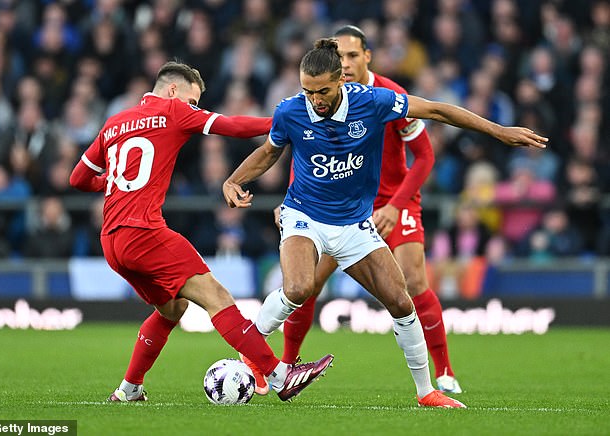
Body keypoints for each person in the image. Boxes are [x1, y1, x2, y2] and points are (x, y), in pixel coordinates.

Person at [223, 39, 547, 408]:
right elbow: (269, 151)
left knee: (401, 301)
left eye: (323, 91)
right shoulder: (290, 112)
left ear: (341, 80)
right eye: (308, 91)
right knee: (299, 288)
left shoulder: (373, 101)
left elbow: (437, 111)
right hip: (304, 216)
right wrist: (234, 179)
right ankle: (252, 356)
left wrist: (498, 131)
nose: (316, 100)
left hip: (354, 225)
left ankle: (428, 391)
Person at [69, 61, 333, 403]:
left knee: (172, 310)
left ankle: (129, 389)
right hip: (145, 232)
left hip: (112, 241)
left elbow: (77, 179)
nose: (195, 109)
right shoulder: (174, 112)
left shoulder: (115, 121)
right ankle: (279, 375)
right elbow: (234, 126)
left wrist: (114, 185)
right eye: (193, 101)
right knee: (218, 298)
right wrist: (288, 124)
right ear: (174, 90)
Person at [271, 24, 463, 395]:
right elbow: (306, 153)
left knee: (413, 280)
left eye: (352, 55)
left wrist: (396, 205)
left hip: (394, 198)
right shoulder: (319, 94)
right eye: (339, 56)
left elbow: (424, 157)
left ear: (367, 56)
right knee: (307, 283)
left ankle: (444, 373)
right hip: (336, 203)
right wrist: (291, 198)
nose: (344, 62)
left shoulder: (388, 95)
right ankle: (287, 362)